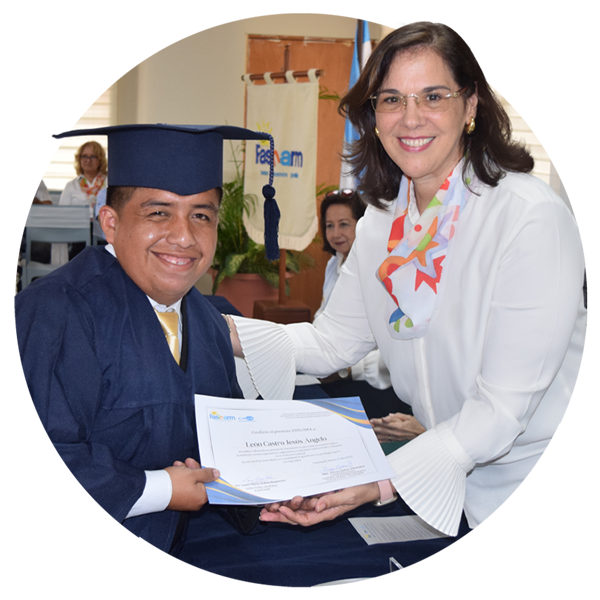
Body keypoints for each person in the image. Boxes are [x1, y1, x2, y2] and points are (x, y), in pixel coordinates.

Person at [228, 24, 587, 586]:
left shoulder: (526, 217)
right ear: (373, 116)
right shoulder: (381, 225)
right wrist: (203, 329)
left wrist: (378, 483)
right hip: (455, 482)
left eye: (433, 96)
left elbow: (500, 409)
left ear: (471, 105)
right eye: (392, 99)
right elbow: (330, 343)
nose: (410, 118)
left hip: (554, 487)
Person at [14, 124, 275, 583]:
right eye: (159, 212)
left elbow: (227, 436)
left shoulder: (208, 320)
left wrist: (277, 486)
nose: (184, 237)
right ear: (111, 223)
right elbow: (27, 459)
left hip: (178, 549)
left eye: (202, 215)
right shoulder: (57, 311)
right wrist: (160, 489)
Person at [316, 189, 424, 438]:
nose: (336, 233)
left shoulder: (382, 269)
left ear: (362, 224)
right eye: (330, 226)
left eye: (344, 224)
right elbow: (322, 320)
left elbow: (394, 349)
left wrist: (347, 371)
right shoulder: (334, 264)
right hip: (341, 373)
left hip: (379, 386)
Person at [59, 140, 108, 218]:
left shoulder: (109, 183)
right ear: (79, 159)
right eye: (84, 156)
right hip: (77, 224)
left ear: (100, 160)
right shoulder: (71, 186)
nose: (88, 160)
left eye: (93, 156)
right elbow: (62, 214)